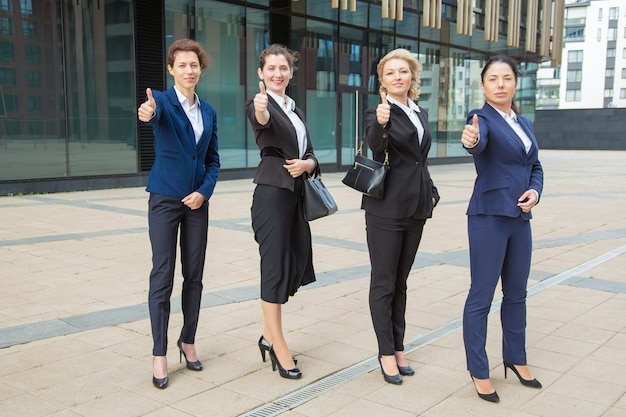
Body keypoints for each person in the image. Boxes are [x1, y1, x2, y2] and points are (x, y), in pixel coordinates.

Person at [460, 55, 544, 403]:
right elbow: (476, 143)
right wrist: (471, 140)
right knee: (482, 295)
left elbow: (535, 165)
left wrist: (535, 192)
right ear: (483, 85)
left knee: (518, 294)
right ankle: (479, 369)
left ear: (514, 83)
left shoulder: (523, 121)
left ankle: (516, 357)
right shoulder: (481, 119)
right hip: (489, 217)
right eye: (493, 79)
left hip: (520, 219)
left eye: (506, 78)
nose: (500, 84)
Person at [137, 39, 220, 389]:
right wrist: (147, 111)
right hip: (165, 199)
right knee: (163, 274)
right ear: (172, 69)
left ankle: (187, 340)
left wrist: (204, 192)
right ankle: (159, 353)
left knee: (195, 275)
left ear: (201, 70)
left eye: (194, 65)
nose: (189, 70)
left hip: (196, 203)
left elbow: (213, 160)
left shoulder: (210, 111)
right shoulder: (163, 102)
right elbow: (150, 115)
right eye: (182, 65)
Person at [362, 48, 440, 385]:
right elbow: (375, 149)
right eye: (390, 72)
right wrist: (380, 124)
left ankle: (399, 345)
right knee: (383, 281)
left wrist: (431, 190)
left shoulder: (419, 112)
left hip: (417, 207)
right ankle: (385, 352)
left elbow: (418, 160)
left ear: (412, 77)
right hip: (386, 207)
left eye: (403, 71)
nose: (397, 76)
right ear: (382, 80)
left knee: (401, 281)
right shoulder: (378, 112)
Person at [245, 44, 318, 380]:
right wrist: (262, 108)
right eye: (271, 68)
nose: (277, 73)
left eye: (283, 68)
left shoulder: (295, 109)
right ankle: (277, 343)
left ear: (291, 72)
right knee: (274, 268)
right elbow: (260, 120)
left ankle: (266, 334)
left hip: (296, 196)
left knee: (293, 262)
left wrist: (308, 163)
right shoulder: (260, 103)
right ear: (261, 73)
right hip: (273, 195)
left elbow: (312, 155)